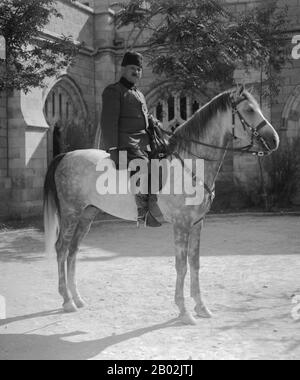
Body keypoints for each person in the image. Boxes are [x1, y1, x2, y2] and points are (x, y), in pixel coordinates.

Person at [100, 51, 161, 228]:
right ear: (123, 69)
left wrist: (152, 121)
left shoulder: (139, 94)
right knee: (143, 166)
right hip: (125, 143)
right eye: (132, 68)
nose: (136, 72)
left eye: (139, 69)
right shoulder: (114, 91)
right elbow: (108, 122)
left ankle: (156, 202)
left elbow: (142, 116)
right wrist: (112, 149)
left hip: (143, 142)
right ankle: (142, 212)